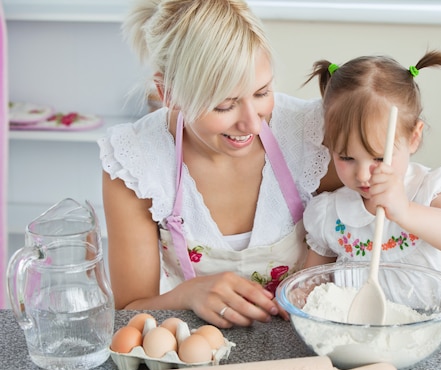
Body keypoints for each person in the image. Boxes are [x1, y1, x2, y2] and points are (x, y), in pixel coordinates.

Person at [99, 0, 341, 328]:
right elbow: (130, 309)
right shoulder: (136, 163)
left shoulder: (311, 135)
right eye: (225, 106)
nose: (253, 125)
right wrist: (189, 294)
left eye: (262, 93)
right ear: (168, 93)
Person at [302, 52, 441, 345]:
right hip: (356, 345)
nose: (364, 174)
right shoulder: (329, 213)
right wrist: (299, 295)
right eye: (346, 157)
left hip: (438, 341)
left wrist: (404, 210)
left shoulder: (430, 189)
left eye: (380, 157)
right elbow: (311, 282)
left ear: (414, 138)